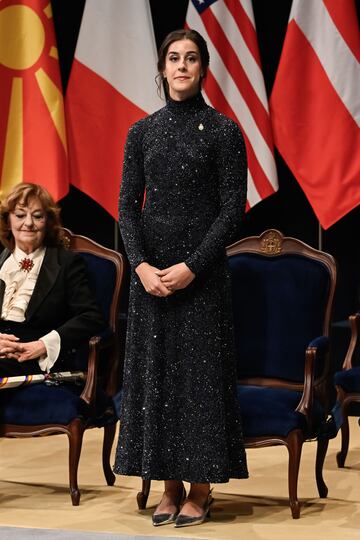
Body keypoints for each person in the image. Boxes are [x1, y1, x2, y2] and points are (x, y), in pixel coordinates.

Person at [114, 28, 248, 528]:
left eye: (191, 58)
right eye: (174, 58)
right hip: (150, 278)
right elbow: (127, 206)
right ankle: (168, 488)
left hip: (202, 277)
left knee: (199, 383)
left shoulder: (223, 131)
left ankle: (201, 489)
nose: (182, 66)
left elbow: (232, 210)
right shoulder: (141, 132)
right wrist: (142, 266)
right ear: (163, 67)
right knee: (159, 380)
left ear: (203, 68)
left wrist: (193, 266)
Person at [0, 182, 106, 377]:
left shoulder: (67, 263)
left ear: (47, 222)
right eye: (20, 215)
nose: (29, 223)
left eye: (38, 216)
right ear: (8, 221)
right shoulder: (1, 262)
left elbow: (91, 317)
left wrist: (43, 345)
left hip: (35, 359)